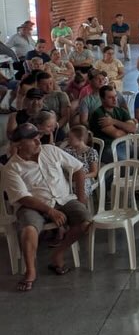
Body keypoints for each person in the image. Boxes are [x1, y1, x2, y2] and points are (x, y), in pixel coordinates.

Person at [1, 123, 92, 291]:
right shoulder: (12, 167)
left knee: (86, 221)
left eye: (38, 137)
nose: (38, 142)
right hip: (32, 205)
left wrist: (81, 200)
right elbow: (23, 197)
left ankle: (57, 253)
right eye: (32, 139)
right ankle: (30, 271)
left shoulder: (50, 150)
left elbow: (79, 169)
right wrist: (50, 210)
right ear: (19, 144)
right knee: (29, 229)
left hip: (63, 199)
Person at [90, 86, 138, 163]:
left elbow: (133, 128)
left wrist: (114, 121)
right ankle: (107, 174)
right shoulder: (99, 114)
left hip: (124, 145)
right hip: (107, 148)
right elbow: (117, 134)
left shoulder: (121, 111)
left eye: (115, 96)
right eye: (110, 97)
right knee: (127, 165)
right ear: (102, 99)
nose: (114, 99)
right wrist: (127, 130)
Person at [62, 125, 99, 207]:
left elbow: (94, 173)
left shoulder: (91, 152)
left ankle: (81, 207)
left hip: (86, 178)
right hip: (69, 178)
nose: (68, 141)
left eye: (71, 139)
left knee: (82, 187)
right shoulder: (67, 151)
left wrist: (82, 177)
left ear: (80, 139)